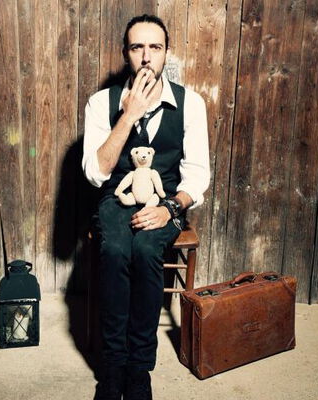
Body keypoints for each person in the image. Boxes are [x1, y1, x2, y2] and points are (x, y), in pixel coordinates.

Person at [82, 14, 210, 400]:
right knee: (116, 250)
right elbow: (96, 174)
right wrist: (129, 115)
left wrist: (169, 207)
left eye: (155, 47)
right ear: (126, 53)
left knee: (145, 249)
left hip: (163, 202)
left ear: (167, 53)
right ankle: (112, 366)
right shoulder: (101, 102)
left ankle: (139, 368)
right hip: (115, 198)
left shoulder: (190, 103)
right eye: (138, 47)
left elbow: (197, 175)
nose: (146, 57)